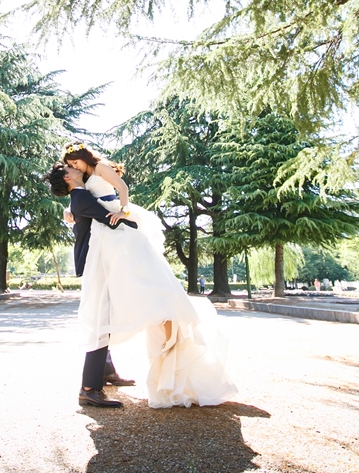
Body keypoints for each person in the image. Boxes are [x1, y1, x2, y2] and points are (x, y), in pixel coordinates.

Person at [58, 143, 237, 409]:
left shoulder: (99, 170)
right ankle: (104, 371)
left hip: (115, 222)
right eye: (69, 166)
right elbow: (81, 201)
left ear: (83, 159)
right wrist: (70, 212)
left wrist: (123, 211)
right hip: (105, 235)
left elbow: (121, 189)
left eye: (74, 163)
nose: (72, 167)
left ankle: (111, 367)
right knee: (107, 302)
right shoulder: (81, 184)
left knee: (118, 294)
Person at [49, 162, 137, 408]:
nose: (75, 167)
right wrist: (136, 225)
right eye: (70, 167)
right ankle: (89, 388)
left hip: (96, 260)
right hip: (94, 263)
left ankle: (105, 372)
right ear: (67, 177)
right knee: (99, 319)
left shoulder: (80, 195)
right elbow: (110, 220)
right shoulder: (81, 198)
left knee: (105, 315)